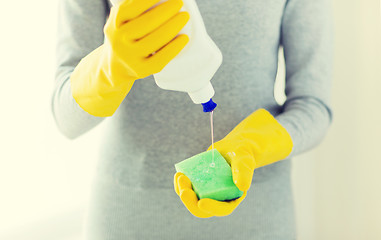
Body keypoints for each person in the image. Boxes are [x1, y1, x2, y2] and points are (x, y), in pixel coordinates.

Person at [52, 0, 333, 239]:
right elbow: (66, 119)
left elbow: (313, 106)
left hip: (257, 222)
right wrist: (108, 67)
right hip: (130, 218)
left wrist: (253, 145)